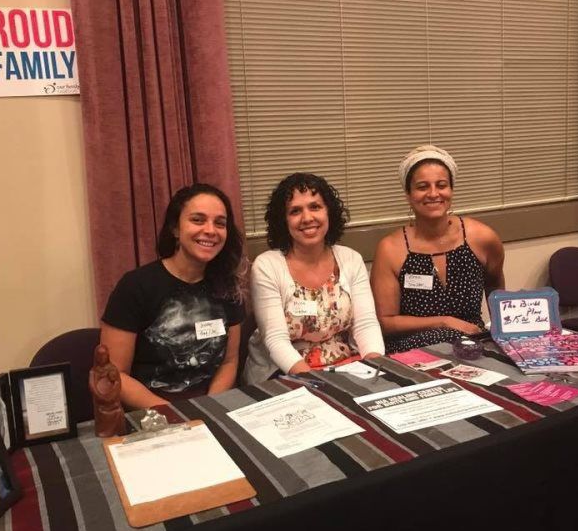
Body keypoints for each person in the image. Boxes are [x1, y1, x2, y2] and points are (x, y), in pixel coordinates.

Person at [101, 184, 246, 408]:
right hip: (152, 411)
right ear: (175, 229)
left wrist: (210, 408)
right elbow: (114, 374)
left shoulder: (228, 287)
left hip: (212, 404)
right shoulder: (136, 286)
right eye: (197, 220)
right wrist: (178, 415)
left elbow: (229, 362)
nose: (211, 230)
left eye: (220, 223)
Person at [243, 173, 384, 384]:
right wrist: (318, 383)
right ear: (283, 220)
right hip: (284, 372)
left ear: (329, 212)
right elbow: (275, 339)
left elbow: (366, 324)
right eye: (295, 211)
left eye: (315, 207)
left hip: (346, 367)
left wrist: (375, 367)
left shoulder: (351, 259)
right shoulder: (267, 265)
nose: (307, 218)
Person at [370, 145, 505, 352]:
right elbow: (386, 322)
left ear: (451, 190)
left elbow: (496, 287)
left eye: (441, 185)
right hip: (413, 349)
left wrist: (503, 333)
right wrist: (444, 321)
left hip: (472, 346)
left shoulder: (482, 238)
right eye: (422, 187)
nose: (433, 194)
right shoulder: (390, 249)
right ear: (408, 194)